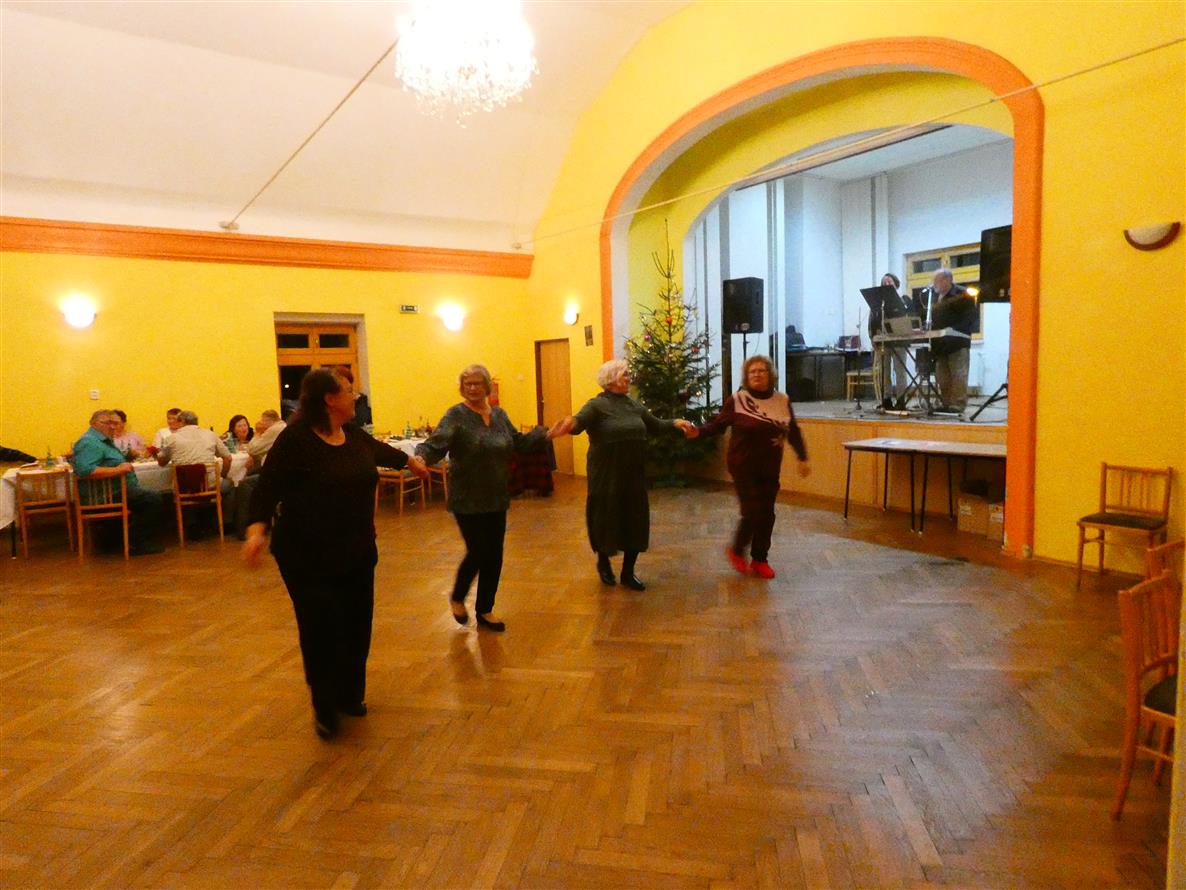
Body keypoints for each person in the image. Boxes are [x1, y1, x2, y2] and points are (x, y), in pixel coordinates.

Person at [243, 368, 426, 739]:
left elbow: (382, 452)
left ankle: (349, 694)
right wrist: (256, 530)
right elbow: (266, 488)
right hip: (306, 555)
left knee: (357, 625)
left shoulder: (353, 435)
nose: (355, 396)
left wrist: (410, 462)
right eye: (348, 390)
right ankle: (324, 705)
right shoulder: (296, 439)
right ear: (329, 399)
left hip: (357, 550)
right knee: (320, 628)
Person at [414, 364, 550, 632]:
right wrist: (420, 457)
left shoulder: (499, 415)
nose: (473, 388)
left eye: (477, 383)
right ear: (462, 388)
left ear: (487, 386)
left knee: (494, 555)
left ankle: (485, 610)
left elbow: (518, 442)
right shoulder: (456, 415)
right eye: (468, 384)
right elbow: (435, 443)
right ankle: (457, 596)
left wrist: (546, 434)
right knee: (478, 551)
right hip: (467, 496)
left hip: (496, 495)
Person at [549, 358, 696, 590]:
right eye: (625, 374)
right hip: (606, 473)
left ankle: (628, 572)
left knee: (635, 518)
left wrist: (676, 422)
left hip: (633, 472)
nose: (629, 378)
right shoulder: (596, 405)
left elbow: (656, 425)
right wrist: (569, 423)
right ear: (611, 379)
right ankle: (604, 562)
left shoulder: (633, 405)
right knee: (605, 516)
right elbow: (579, 421)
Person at [687, 355, 809, 579]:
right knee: (753, 510)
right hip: (743, 465)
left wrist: (802, 457)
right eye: (752, 371)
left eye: (762, 371)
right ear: (746, 376)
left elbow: (793, 431)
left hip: (770, 467)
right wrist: (698, 432)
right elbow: (718, 425)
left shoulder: (782, 400)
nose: (757, 374)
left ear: (770, 375)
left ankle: (760, 559)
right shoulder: (738, 400)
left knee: (767, 514)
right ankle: (736, 549)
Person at [71, 410, 164, 555]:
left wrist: (126, 456)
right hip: (105, 494)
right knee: (152, 499)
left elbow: (107, 460)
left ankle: (120, 538)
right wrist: (118, 470)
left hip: (114, 490)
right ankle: (137, 542)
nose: (112, 427)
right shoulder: (89, 442)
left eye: (114, 423)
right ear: (93, 423)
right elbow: (85, 470)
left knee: (148, 497)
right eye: (107, 423)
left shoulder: (102, 441)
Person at [157, 410, 234, 535]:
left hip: (183, 486)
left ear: (182, 422)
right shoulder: (210, 435)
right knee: (229, 484)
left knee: (173, 490)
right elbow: (228, 458)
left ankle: (190, 525)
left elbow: (161, 462)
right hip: (210, 484)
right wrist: (222, 475)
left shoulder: (171, 438)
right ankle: (225, 523)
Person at [927, 268, 978, 412]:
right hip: (940, 344)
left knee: (958, 374)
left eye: (936, 280)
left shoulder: (963, 294)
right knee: (942, 376)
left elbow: (970, 317)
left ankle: (957, 404)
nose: (934, 284)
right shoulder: (934, 297)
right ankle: (946, 403)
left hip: (957, 342)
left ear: (947, 280)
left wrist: (952, 329)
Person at [869, 273, 916, 410]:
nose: (887, 284)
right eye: (884, 283)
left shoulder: (904, 300)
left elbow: (911, 318)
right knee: (884, 371)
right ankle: (886, 399)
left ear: (896, 284)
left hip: (899, 340)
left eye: (889, 282)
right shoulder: (878, 304)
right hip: (883, 341)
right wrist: (872, 337)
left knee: (899, 370)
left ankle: (901, 400)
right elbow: (872, 321)